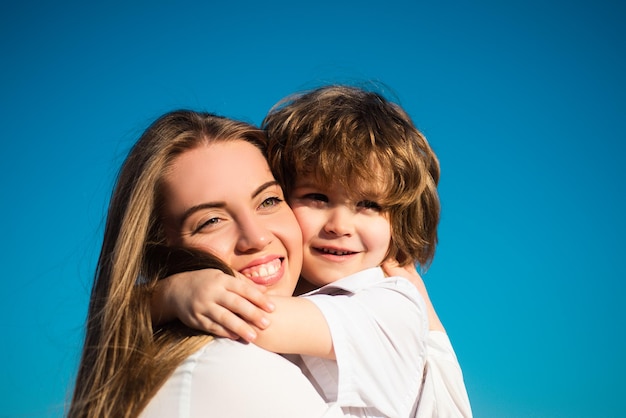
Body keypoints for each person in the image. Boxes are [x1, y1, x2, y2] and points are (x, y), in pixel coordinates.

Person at [154, 85, 472, 417]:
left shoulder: (391, 304)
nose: (339, 225)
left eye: (369, 205)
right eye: (317, 198)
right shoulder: (305, 297)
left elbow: (256, 320)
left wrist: (169, 295)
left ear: (399, 223)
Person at [68, 110, 343, 418]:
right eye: (211, 221)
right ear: (157, 252)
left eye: (268, 201)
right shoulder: (236, 371)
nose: (256, 237)